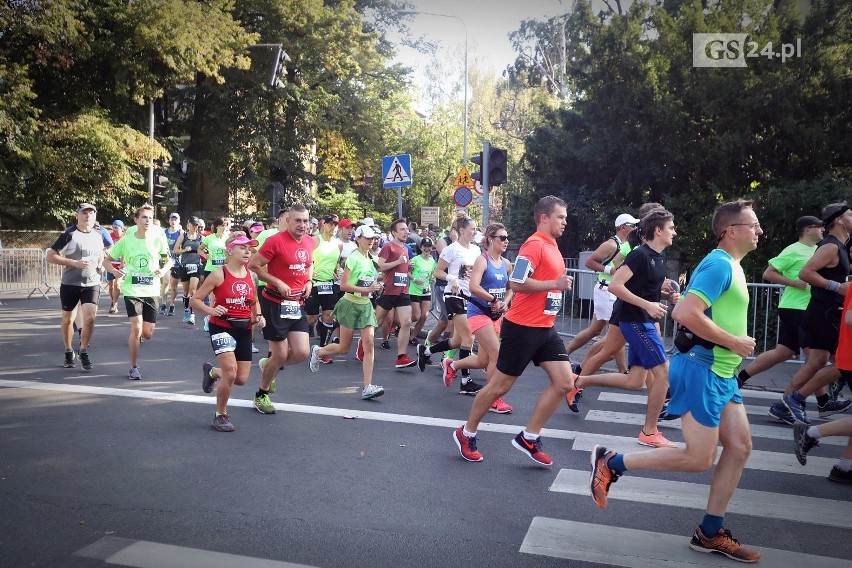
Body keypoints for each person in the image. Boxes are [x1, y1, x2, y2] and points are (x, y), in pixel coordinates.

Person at [590, 199, 762, 563]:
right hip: (702, 368)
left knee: (740, 447)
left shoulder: (732, 265)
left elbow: (688, 306)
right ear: (731, 231)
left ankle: (710, 532)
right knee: (700, 459)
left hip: (722, 372)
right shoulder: (718, 264)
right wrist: (733, 341)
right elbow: (686, 314)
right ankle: (611, 462)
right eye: (754, 225)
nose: (760, 231)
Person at [452, 196, 575, 465]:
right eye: (560, 217)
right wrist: (554, 282)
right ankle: (466, 432)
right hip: (522, 328)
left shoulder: (552, 244)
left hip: (545, 327)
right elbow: (517, 283)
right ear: (544, 217)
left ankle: (529, 437)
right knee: (498, 386)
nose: (565, 222)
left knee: (566, 382)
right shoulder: (534, 245)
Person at [569, 209, 681, 448]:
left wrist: (666, 297)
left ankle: (578, 381)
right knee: (663, 373)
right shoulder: (639, 255)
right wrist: (648, 305)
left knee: (635, 381)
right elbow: (615, 286)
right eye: (671, 228)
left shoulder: (659, 256)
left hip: (644, 319)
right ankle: (649, 432)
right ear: (658, 230)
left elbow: (643, 288)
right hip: (636, 320)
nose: (674, 232)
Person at [733, 216, 821, 419]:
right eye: (820, 226)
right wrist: (794, 282)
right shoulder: (793, 249)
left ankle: (740, 379)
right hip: (797, 308)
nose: (823, 230)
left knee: (783, 352)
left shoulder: (818, 250)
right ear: (808, 229)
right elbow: (769, 273)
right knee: (815, 359)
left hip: (803, 308)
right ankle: (791, 403)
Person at [781, 202, 852, 424]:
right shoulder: (830, 246)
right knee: (841, 362)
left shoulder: (841, 245)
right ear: (839, 220)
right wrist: (837, 287)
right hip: (824, 311)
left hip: (828, 311)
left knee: (818, 361)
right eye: (851, 214)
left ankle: (786, 403)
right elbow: (805, 273)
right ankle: (791, 400)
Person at [192, 232, 265, 432]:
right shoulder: (218, 274)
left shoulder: (252, 275)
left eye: (249, 248)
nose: (247, 251)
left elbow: (254, 301)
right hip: (221, 326)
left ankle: (211, 372)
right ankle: (220, 415)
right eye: (242, 247)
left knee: (240, 378)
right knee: (231, 373)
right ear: (229, 250)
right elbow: (195, 300)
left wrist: (258, 317)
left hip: (244, 328)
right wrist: (211, 310)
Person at [247, 204, 313, 414]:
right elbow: (254, 265)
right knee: (281, 354)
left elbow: (309, 264)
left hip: (296, 303)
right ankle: (261, 394)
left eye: (305, 221)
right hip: (274, 302)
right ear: (287, 221)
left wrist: (309, 282)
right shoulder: (275, 241)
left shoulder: (310, 241)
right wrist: (277, 282)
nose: (302, 225)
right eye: (298, 221)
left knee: (302, 352)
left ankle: (269, 362)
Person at [444, 223, 514, 413]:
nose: (506, 241)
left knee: (484, 360)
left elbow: (511, 288)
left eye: (507, 238)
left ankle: (453, 364)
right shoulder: (482, 261)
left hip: (495, 315)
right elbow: (474, 286)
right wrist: (493, 299)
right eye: (502, 238)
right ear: (491, 239)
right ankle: (494, 399)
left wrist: (505, 303)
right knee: (497, 354)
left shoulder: (506, 264)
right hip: (478, 313)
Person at [309, 224, 386, 399]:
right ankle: (318, 352)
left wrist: (377, 287)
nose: (371, 241)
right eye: (367, 238)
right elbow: (343, 285)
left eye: (373, 238)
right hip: (349, 303)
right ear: (358, 238)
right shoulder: (353, 258)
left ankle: (367, 386)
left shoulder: (372, 260)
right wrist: (366, 289)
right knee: (344, 348)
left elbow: (369, 282)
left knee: (369, 344)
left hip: (365, 305)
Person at [103, 204, 173, 380]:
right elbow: (107, 261)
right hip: (132, 289)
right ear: (136, 220)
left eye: (150, 218)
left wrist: (163, 271)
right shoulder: (126, 240)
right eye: (144, 217)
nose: (147, 220)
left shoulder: (157, 239)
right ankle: (134, 367)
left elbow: (168, 261)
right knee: (136, 328)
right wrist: (114, 270)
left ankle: (140, 336)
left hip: (151, 290)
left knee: (147, 333)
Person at [417, 217, 484, 393]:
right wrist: (451, 278)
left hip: (471, 298)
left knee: (457, 340)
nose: (475, 231)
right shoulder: (451, 249)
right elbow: (437, 271)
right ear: (462, 230)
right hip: (453, 295)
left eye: (476, 229)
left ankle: (426, 352)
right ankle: (465, 382)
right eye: (472, 228)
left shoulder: (476, 250)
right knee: (469, 338)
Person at [564, 213, 638, 372]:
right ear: (623, 226)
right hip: (606, 291)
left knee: (596, 330)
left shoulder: (626, 244)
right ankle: (620, 371)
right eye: (633, 225)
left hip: (610, 291)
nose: (635, 228)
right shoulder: (611, 244)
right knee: (615, 333)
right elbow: (589, 262)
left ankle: (562, 355)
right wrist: (610, 269)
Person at [46, 203, 109, 371]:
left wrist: (101, 264)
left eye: (91, 213)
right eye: (84, 213)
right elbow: (50, 256)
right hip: (70, 283)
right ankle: (68, 350)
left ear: (95, 216)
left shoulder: (97, 235)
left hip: (92, 282)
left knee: (90, 319)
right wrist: (73, 262)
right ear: (77, 215)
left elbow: (101, 252)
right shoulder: (69, 235)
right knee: (68, 319)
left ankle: (83, 351)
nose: (87, 216)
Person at [374, 218, 417, 368]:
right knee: (377, 322)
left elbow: (401, 267)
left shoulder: (406, 248)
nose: (406, 232)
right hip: (389, 290)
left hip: (403, 290)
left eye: (407, 229)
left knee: (406, 322)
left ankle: (401, 357)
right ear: (394, 232)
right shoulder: (388, 246)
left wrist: (407, 267)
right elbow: (380, 266)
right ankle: (363, 343)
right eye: (402, 230)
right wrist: (398, 262)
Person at [307, 214, 342, 359]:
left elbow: (336, 263)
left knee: (329, 316)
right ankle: (315, 324)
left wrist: (337, 271)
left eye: (336, 224)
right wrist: (310, 268)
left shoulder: (338, 244)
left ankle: (322, 351)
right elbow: (306, 258)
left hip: (328, 283)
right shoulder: (315, 240)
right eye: (330, 224)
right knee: (311, 319)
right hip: (314, 283)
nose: (333, 227)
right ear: (323, 224)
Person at [173, 216, 204, 325]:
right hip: (185, 265)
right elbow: (175, 250)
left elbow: (204, 250)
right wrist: (184, 250)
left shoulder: (201, 238)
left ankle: (192, 314)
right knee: (186, 291)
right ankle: (186, 309)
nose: (196, 227)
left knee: (193, 290)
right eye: (194, 224)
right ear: (188, 224)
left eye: (197, 225)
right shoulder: (184, 236)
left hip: (196, 265)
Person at [409, 237, 437, 346]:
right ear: (421, 247)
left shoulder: (432, 261)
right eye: (425, 246)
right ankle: (402, 324)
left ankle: (412, 337)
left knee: (424, 316)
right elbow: (408, 273)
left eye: (429, 246)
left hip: (426, 291)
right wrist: (415, 279)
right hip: (414, 291)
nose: (427, 248)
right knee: (416, 316)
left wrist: (433, 278)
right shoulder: (415, 259)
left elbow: (432, 274)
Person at [160, 212, 184, 317]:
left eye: (175, 219)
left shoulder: (181, 233)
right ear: (169, 220)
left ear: (178, 221)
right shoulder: (164, 232)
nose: (173, 221)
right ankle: (164, 304)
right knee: (165, 282)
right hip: (165, 259)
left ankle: (172, 305)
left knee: (174, 286)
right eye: (172, 219)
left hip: (177, 261)